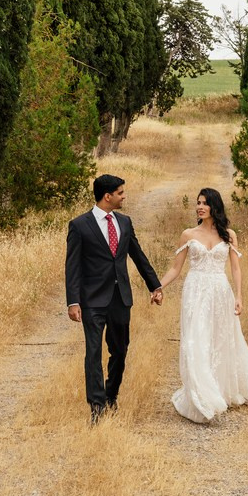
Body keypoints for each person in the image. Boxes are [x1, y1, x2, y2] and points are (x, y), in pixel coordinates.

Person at [160, 186, 248, 424]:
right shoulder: (188, 234)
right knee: (196, 340)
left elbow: (235, 268)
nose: (200, 206)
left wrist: (239, 296)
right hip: (195, 292)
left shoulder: (229, 234)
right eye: (198, 202)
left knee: (221, 339)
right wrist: (158, 286)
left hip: (220, 291)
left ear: (214, 206)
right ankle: (201, 397)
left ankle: (221, 388)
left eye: (205, 202)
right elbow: (175, 268)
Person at [66, 173, 164, 424]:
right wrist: (73, 301)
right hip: (92, 300)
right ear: (107, 196)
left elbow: (138, 256)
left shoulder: (125, 222)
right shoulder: (79, 225)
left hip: (120, 298)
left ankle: (111, 395)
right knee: (93, 352)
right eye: (120, 192)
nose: (124, 196)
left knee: (120, 351)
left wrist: (155, 285)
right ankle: (96, 407)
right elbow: (73, 266)